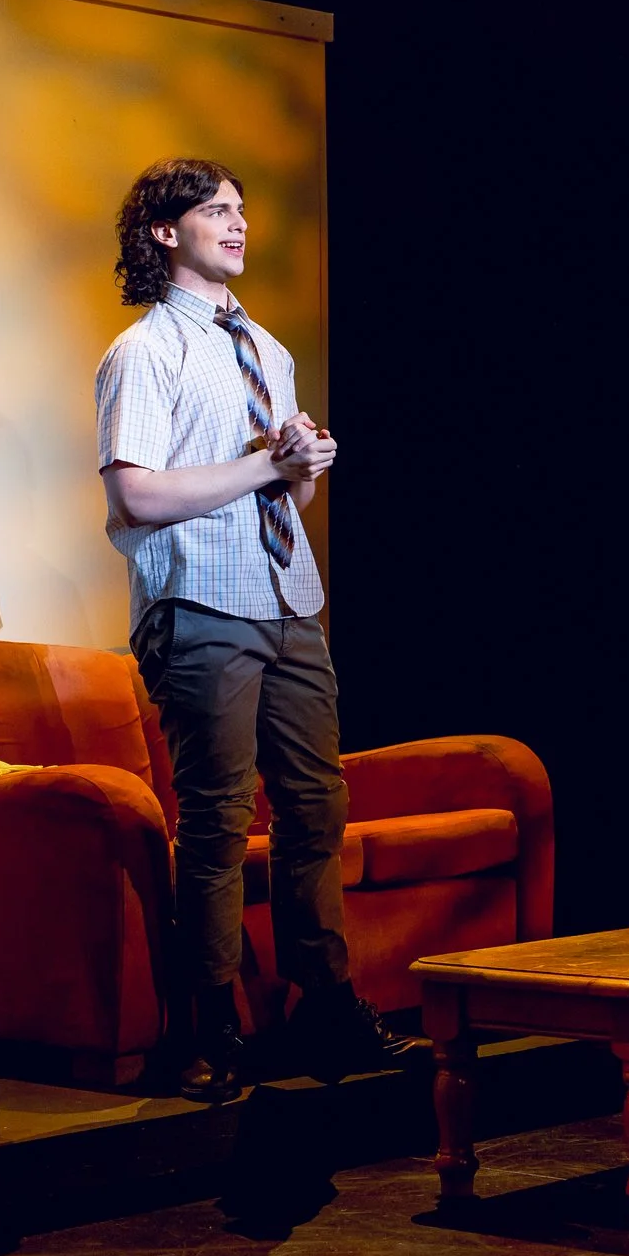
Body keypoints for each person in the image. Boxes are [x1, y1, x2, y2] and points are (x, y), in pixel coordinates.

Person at [94, 157, 416, 1100]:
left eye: (243, 207)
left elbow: (287, 490)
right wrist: (264, 468)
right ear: (164, 232)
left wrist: (304, 462)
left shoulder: (265, 350)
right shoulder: (144, 351)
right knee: (219, 820)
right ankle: (208, 1027)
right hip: (199, 605)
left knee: (318, 810)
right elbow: (137, 492)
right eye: (214, 210)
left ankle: (326, 1005)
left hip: (288, 598)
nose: (238, 223)